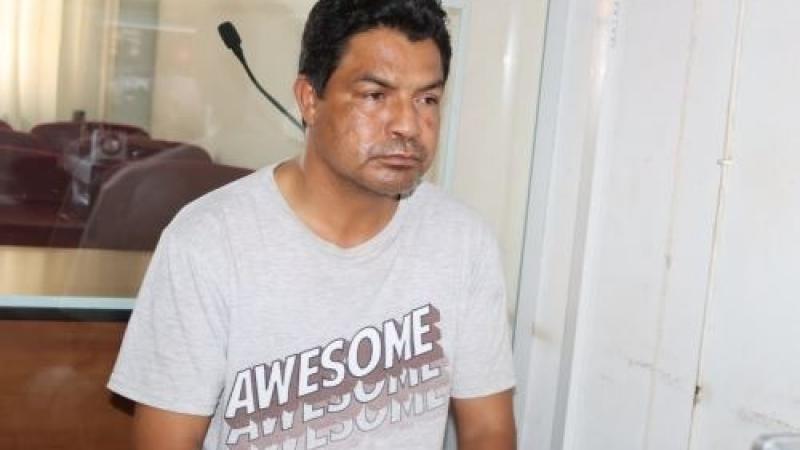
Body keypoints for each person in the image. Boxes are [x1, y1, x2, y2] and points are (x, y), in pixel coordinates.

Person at [107, 0, 516, 449]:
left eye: (427, 99)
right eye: (375, 95)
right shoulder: (207, 243)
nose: (408, 125)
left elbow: (488, 429)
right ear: (309, 99)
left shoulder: (463, 243)